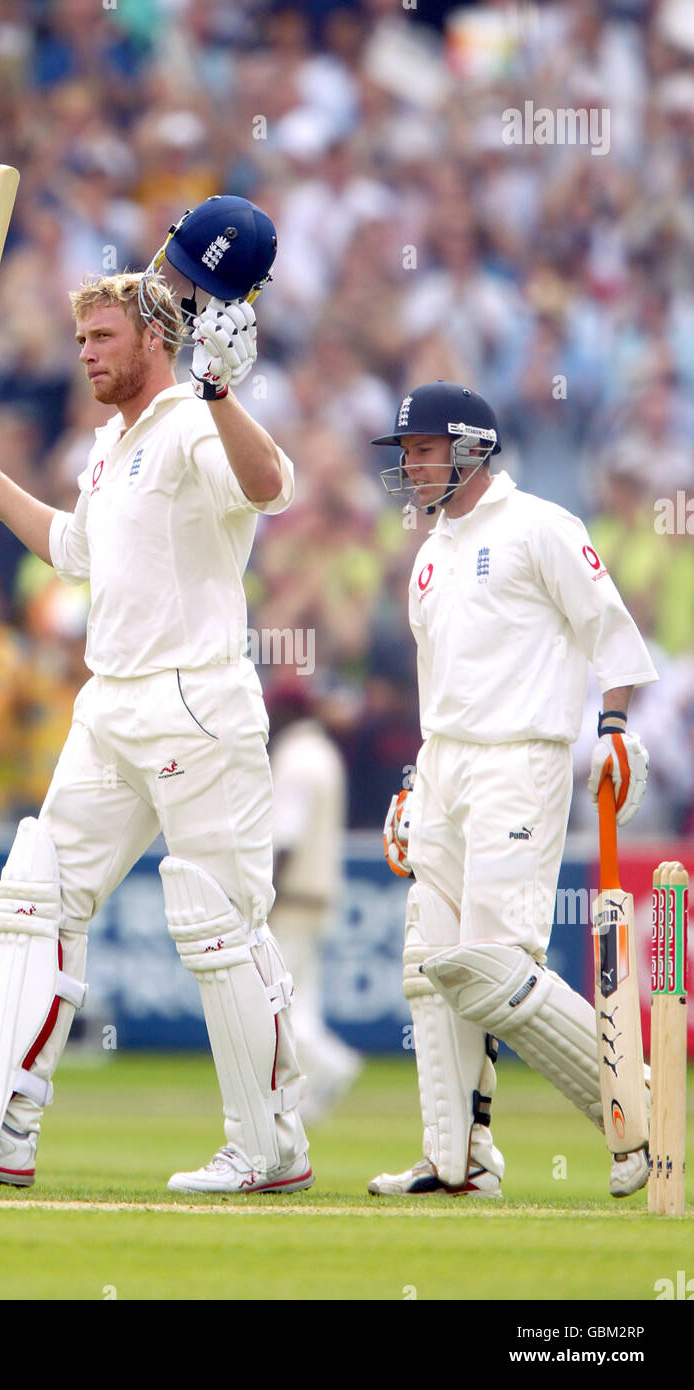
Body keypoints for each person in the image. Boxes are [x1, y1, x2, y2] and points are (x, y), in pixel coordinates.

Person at [0, 197, 314, 1197]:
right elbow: (75, 550)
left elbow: (271, 484)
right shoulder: (116, 440)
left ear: (152, 341)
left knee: (219, 924)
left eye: (99, 337)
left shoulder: (185, 422)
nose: (82, 353)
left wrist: (216, 389)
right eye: (78, 336)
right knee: (37, 892)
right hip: (110, 700)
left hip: (196, 703)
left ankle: (269, 1148)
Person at [368, 380, 657, 1199]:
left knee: (494, 964)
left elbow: (612, 632)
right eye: (406, 455)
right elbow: (441, 685)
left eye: (423, 452)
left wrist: (614, 729)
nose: (412, 469)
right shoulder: (429, 556)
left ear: (470, 448)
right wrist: (414, 785)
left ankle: (637, 1116)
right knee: (430, 966)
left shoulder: (541, 527)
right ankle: (458, 1164)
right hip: (446, 764)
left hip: (521, 761)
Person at [266, 681, 362, 1124]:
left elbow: (286, 835)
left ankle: (331, 1066)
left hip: (294, 898)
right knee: (301, 1000)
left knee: (281, 1003)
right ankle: (308, 1093)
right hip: (317, 896)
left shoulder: (296, 759)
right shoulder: (321, 752)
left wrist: (264, 893)